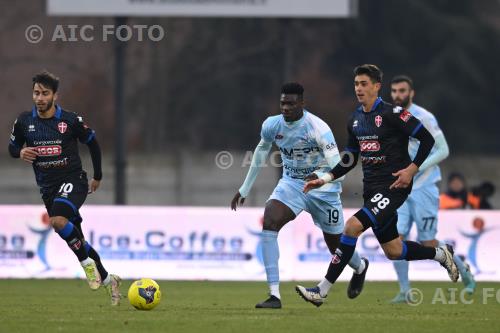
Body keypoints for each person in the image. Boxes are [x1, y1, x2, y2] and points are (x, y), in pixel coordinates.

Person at [295, 64, 458, 307]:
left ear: (376, 86)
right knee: (394, 250)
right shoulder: (356, 120)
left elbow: (427, 139)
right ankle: (440, 254)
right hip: (371, 190)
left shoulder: (395, 113)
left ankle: (321, 290)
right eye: (356, 84)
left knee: (351, 227)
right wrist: (326, 177)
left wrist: (411, 170)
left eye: (363, 84)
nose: (358, 89)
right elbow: (350, 158)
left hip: (394, 187)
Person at [231, 82, 368, 309]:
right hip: (292, 185)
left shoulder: (318, 128)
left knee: (336, 247)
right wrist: (245, 188)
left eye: (291, 104)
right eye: (283, 103)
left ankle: (361, 266)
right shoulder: (272, 125)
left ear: (302, 104)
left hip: (324, 190)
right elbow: (261, 151)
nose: (285, 108)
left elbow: (339, 168)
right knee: (270, 220)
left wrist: (320, 176)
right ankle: (274, 295)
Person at [8, 71, 121, 305]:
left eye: (45, 93)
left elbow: (93, 143)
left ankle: (85, 264)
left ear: (55, 96)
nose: (39, 98)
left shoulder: (69, 121)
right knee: (77, 238)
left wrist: (97, 175)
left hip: (74, 180)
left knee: (58, 221)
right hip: (48, 189)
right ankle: (109, 279)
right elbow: (12, 147)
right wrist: (20, 152)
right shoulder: (24, 122)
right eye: (36, 93)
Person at [389, 75, 475, 303]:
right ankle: (405, 291)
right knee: (395, 239)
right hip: (400, 188)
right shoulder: (390, 117)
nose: (397, 95)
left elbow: (443, 150)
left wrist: (414, 168)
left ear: (411, 93)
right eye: (394, 91)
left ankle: (464, 270)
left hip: (424, 187)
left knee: (427, 242)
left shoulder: (425, 117)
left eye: (402, 90)